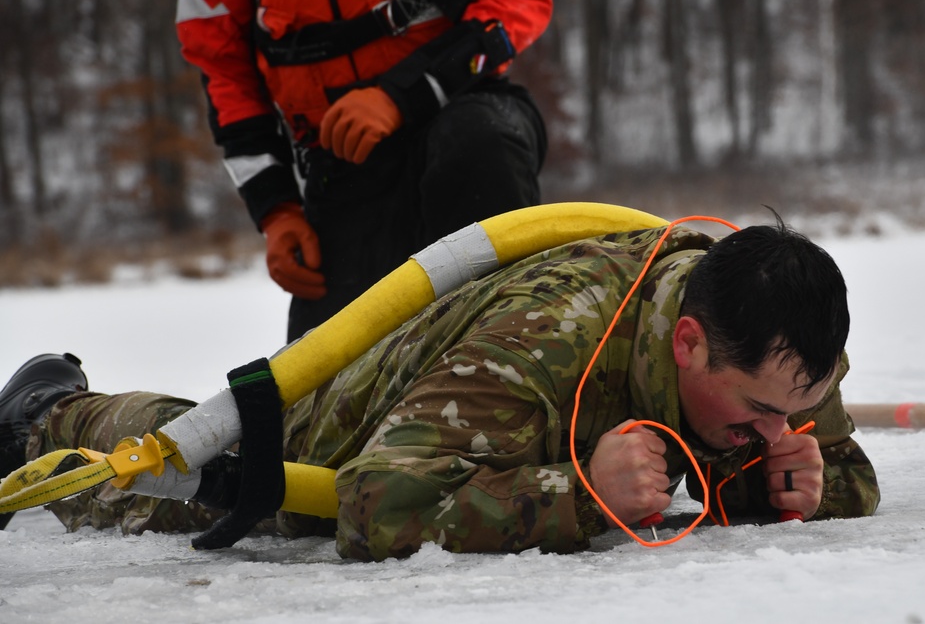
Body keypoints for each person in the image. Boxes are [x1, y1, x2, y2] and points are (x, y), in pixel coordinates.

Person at [0, 219, 880, 560]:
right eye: (762, 415)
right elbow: (376, 499)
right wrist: (579, 494)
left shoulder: (778, 349)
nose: (779, 426)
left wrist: (801, 478)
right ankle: (45, 413)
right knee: (204, 476)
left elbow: (840, 462)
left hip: (494, 434)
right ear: (687, 344)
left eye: (794, 410)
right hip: (349, 430)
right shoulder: (548, 340)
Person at [175, 0, 553, 343]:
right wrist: (276, 210)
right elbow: (225, 72)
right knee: (322, 384)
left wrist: (401, 95)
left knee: (480, 141)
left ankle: (511, 345)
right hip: (343, 166)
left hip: (465, 118)